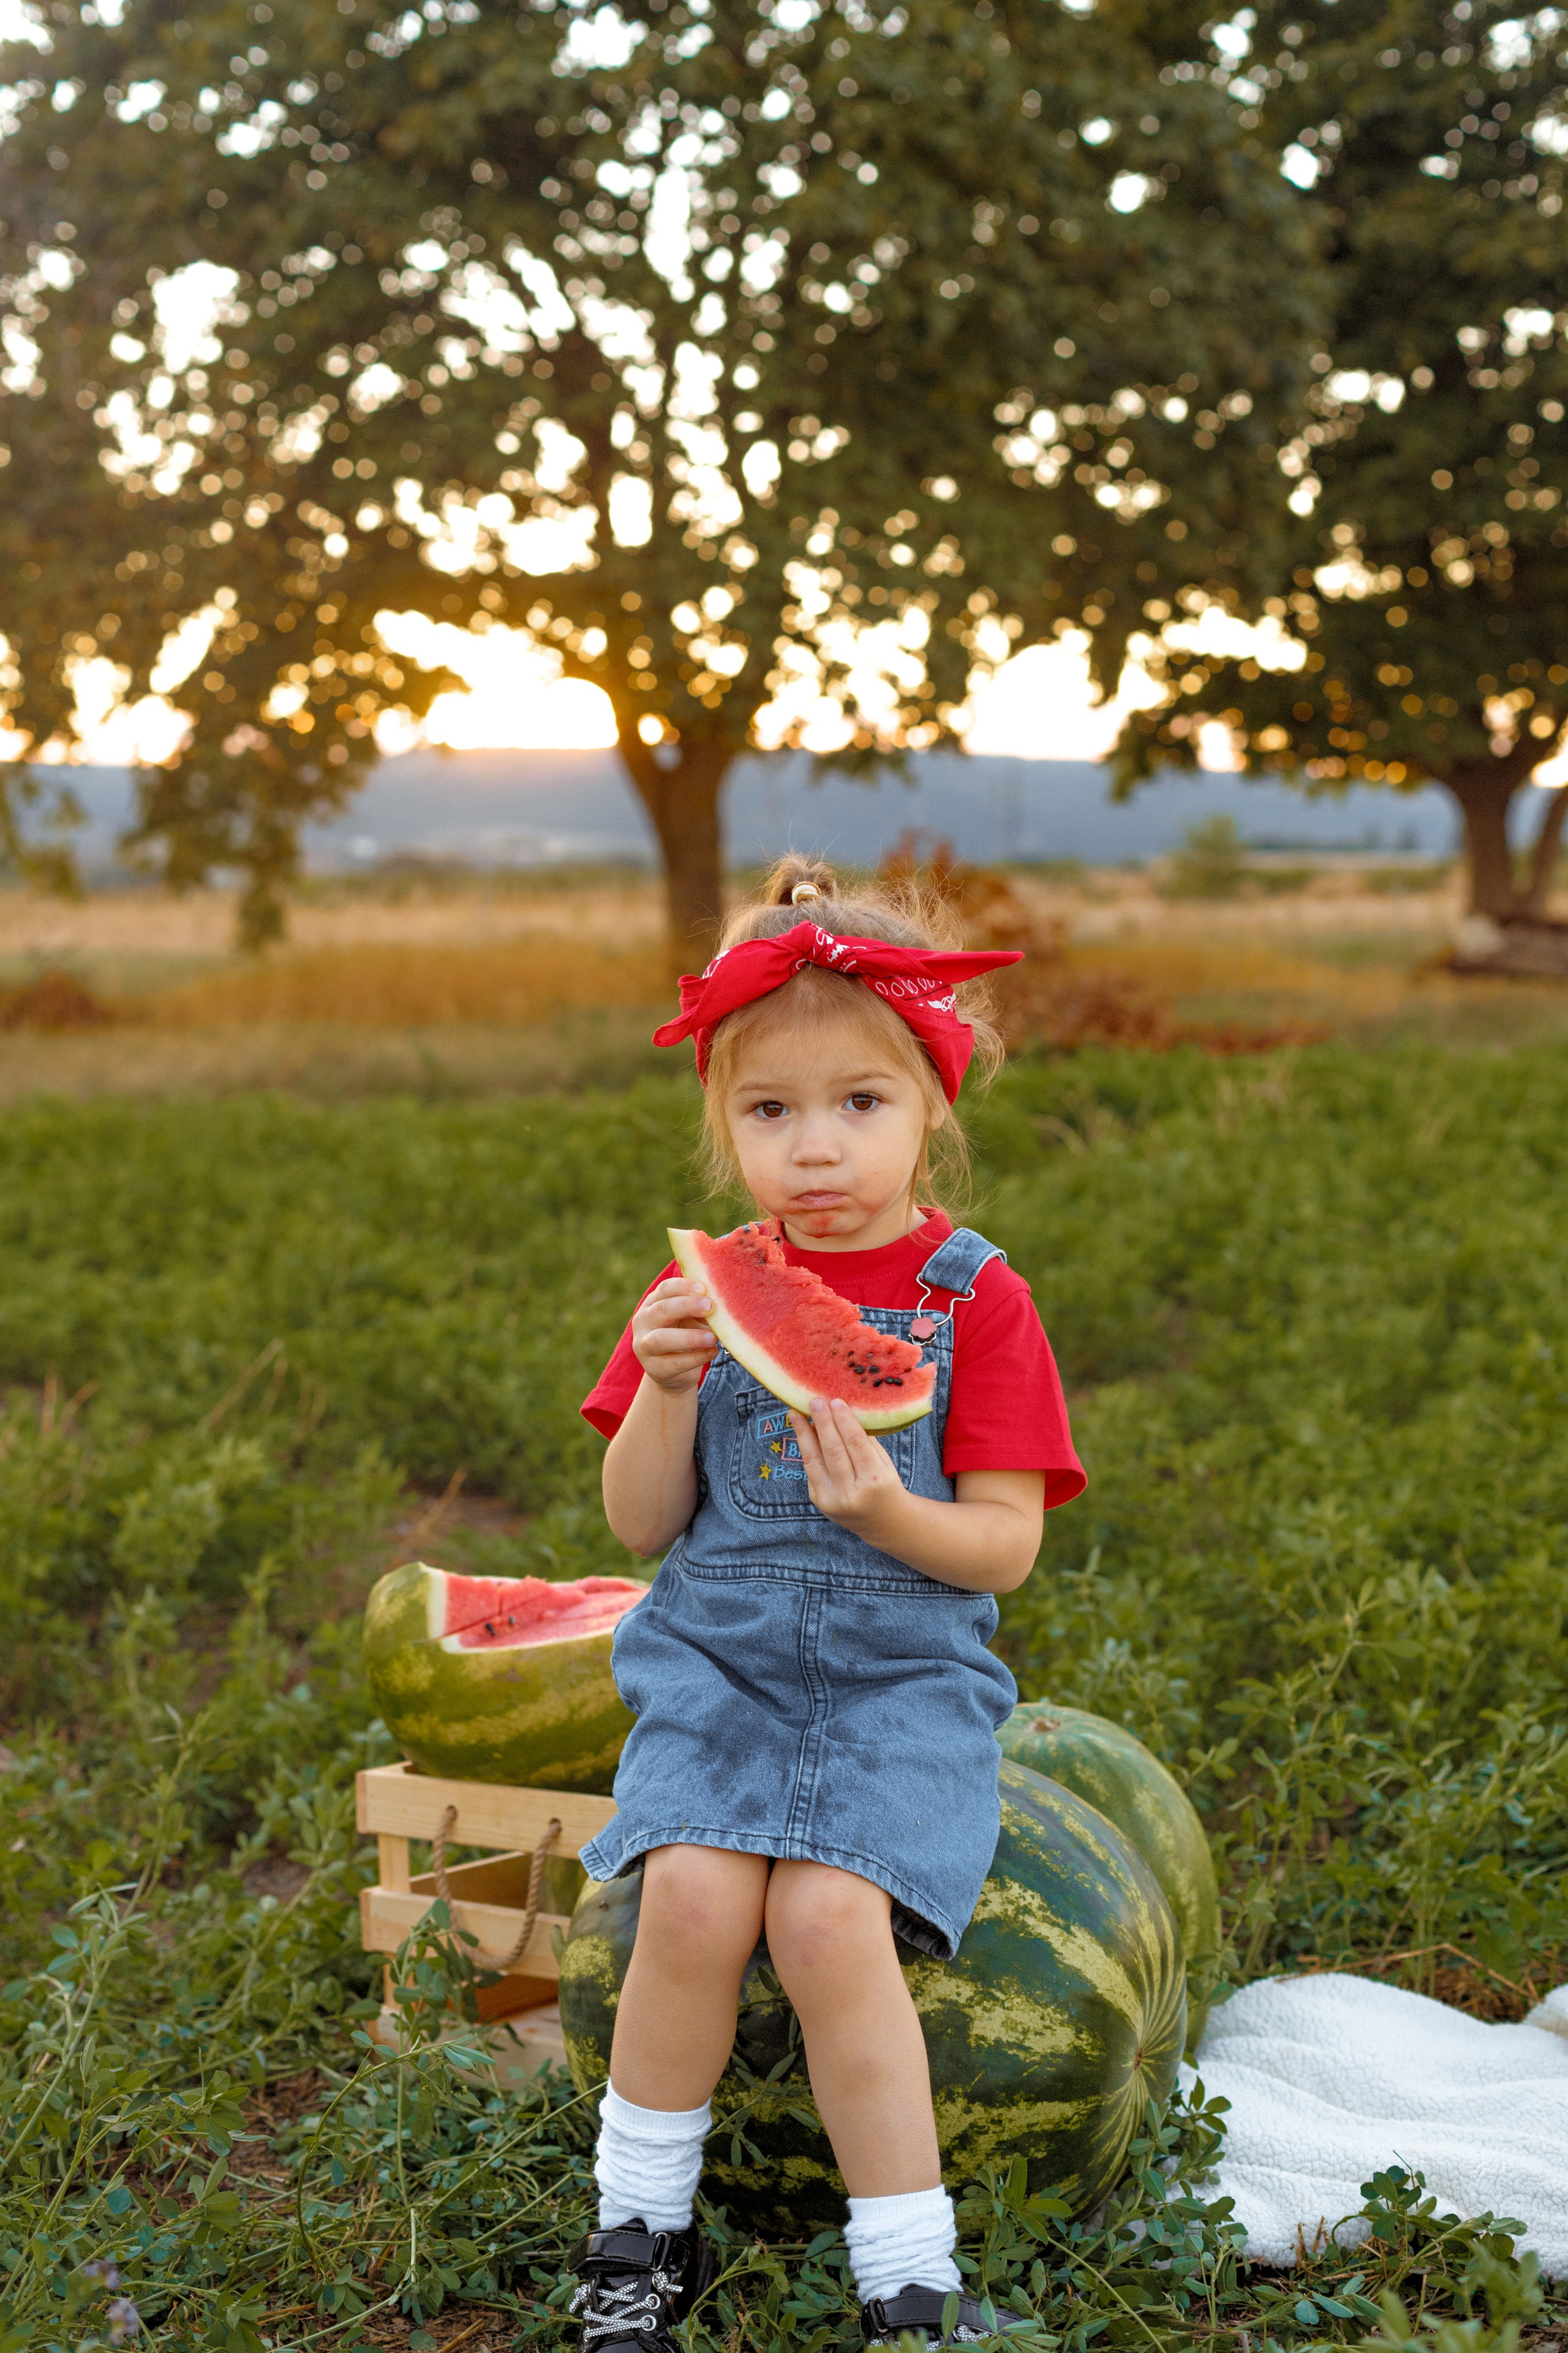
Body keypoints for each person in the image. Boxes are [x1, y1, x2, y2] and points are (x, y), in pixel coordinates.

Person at [567, 858, 1085, 2351]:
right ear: (722, 1126)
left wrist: (883, 1509)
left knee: (829, 1918)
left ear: (934, 1101)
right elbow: (641, 1523)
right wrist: (665, 1394)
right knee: (690, 1896)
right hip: (716, 1666)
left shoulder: (976, 1298)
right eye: (767, 1111)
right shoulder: (701, 1293)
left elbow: (1000, 1550)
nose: (813, 1150)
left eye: (858, 1103)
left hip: (899, 1683)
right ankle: (634, 2236)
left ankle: (906, 2272)